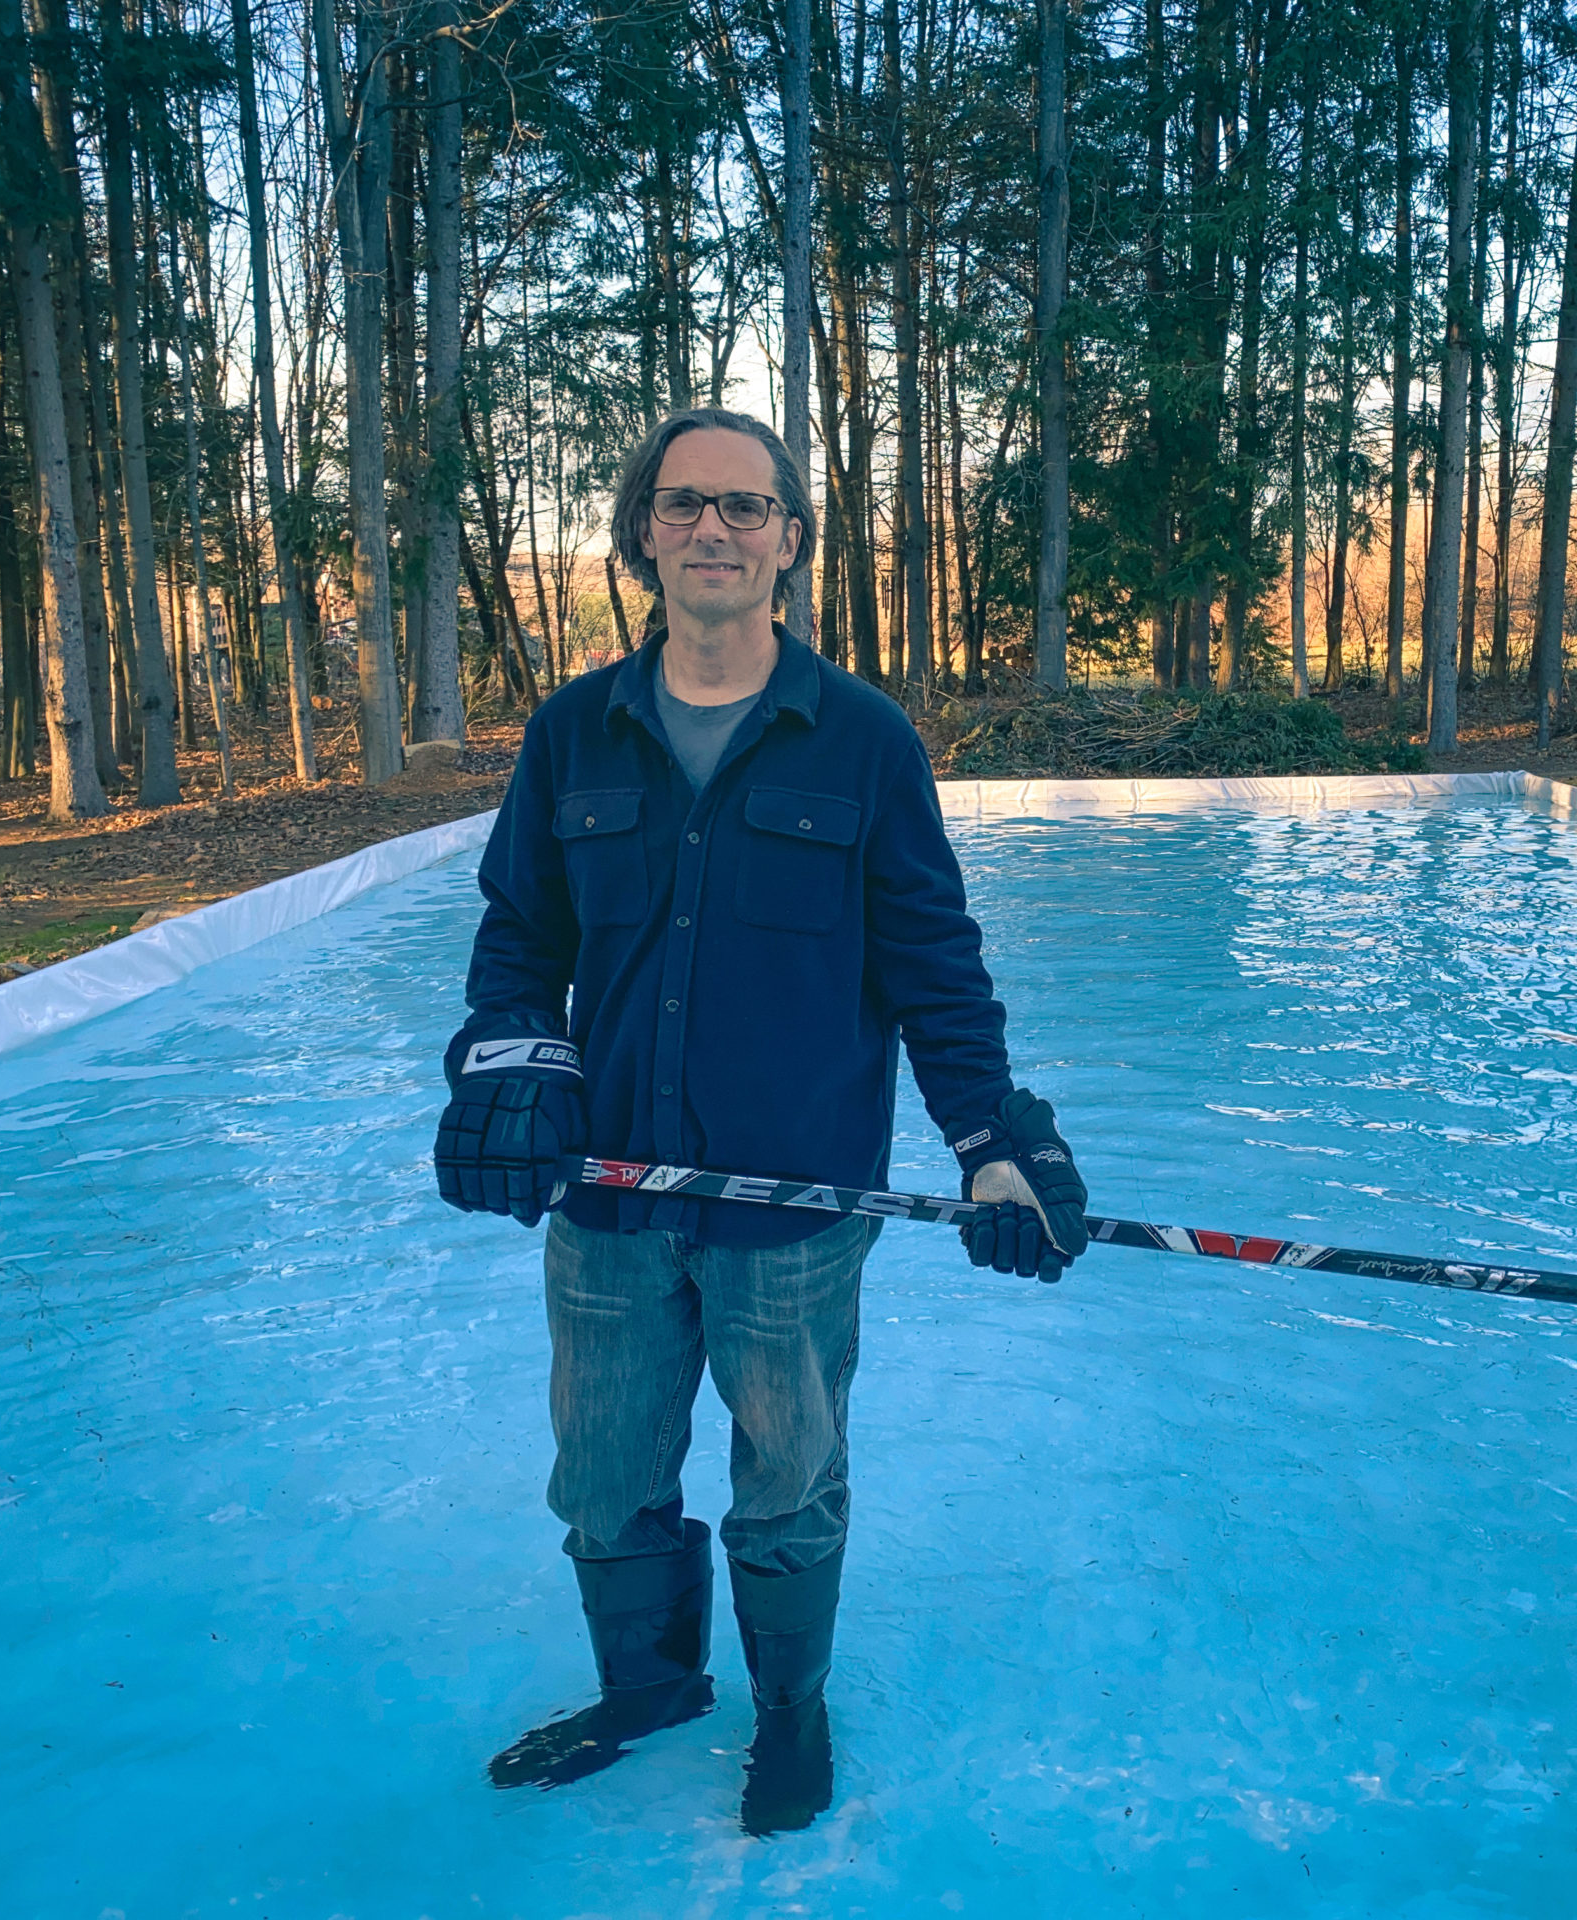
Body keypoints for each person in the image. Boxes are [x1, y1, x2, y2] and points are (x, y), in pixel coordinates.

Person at [433, 406, 1088, 1834]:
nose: (713, 529)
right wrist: (508, 1065)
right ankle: (650, 1689)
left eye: (745, 506)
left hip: (793, 1211)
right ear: (642, 534)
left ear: (791, 537)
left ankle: (791, 1709)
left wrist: (989, 1141)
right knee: (603, 1479)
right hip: (606, 1200)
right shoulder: (572, 733)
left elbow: (931, 961)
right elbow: (517, 939)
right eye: (682, 504)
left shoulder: (863, 741)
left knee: (788, 1479)